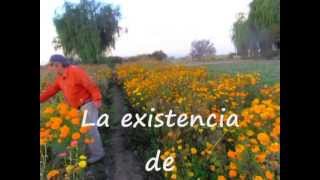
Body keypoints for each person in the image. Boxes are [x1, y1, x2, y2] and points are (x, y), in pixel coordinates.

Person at [40, 54, 105, 165]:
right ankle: (90, 151)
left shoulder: (75, 71)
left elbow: (90, 84)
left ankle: (98, 155)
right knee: (82, 131)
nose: (52, 68)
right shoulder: (60, 78)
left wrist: (97, 98)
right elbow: (51, 90)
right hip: (77, 107)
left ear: (59, 64)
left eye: (53, 65)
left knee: (89, 130)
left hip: (87, 104)